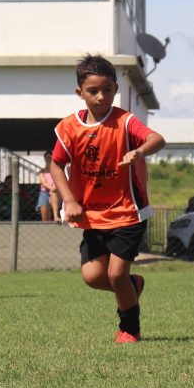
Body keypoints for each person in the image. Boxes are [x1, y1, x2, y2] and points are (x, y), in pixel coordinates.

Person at [50, 54, 166, 344]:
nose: (102, 97)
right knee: (92, 277)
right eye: (93, 91)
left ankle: (130, 329)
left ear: (116, 89)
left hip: (128, 213)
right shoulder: (69, 128)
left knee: (116, 275)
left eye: (108, 90)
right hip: (91, 215)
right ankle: (133, 285)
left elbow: (157, 139)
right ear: (80, 93)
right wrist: (69, 201)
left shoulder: (125, 121)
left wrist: (139, 151)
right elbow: (56, 165)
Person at [37, 151, 59, 221]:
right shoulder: (42, 171)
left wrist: (53, 190)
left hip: (56, 192)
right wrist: (51, 189)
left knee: (54, 195)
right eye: (47, 157)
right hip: (44, 193)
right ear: (44, 158)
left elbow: (58, 181)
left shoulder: (57, 170)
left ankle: (56, 216)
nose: (49, 159)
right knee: (45, 215)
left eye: (50, 157)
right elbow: (43, 183)